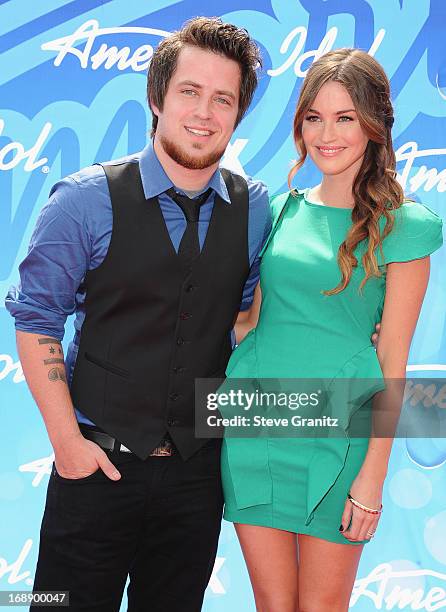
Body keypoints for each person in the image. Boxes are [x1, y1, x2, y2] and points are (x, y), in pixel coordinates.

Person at [5, 17, 271, 612]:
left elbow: (247, 317)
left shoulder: (254, 207)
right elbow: (37, 320)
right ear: (157, 98)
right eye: (189, 92)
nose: (204, 112)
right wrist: (69, 446)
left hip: (196, 480)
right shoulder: (82, 199)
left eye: (222, 99)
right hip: (94, 470)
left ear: (238, 113)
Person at [220, 48, 443, 611]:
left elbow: (393, 362)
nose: (327, 134)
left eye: (345, 117)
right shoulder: (282, 211)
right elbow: (251, 323)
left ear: (374, 124)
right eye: (313, 117)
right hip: (255, 423)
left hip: (340, 437)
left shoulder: (405, 227)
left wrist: (372, 478)